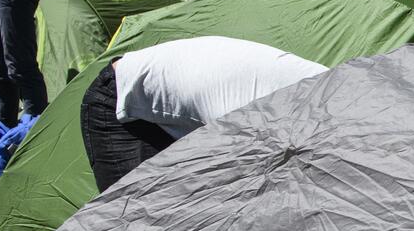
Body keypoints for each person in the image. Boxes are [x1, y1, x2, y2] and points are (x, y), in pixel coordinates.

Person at [79, 36, 325, 190]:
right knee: (136, 226)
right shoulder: (261, 119)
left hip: (191, 94)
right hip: (124, 101)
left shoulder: (338, 90)